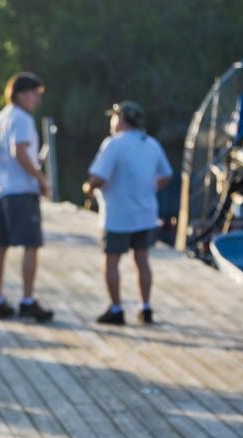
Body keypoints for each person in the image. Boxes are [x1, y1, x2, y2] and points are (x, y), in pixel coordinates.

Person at [83, 101, 173, 325]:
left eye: (114, 117)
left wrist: (87, 188)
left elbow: (99, 178)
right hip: (145, 214)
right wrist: (151, 187)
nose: (112, 121)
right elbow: (166, 175)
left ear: (121, 119)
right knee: (142, 260)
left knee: (111, 261)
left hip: (117, 216)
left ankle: (116, 309)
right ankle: (146, 307)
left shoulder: (113, 144)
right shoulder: (151, 143)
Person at [0, 72, 54, 322]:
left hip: (1, 191)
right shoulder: (22, 119)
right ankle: (27, 300)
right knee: (31, 245)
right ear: (21, 94)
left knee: (0, 245)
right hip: (21, 191)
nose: (37, 99)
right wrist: (40, 179)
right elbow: (20, 151)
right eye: (35, 93)